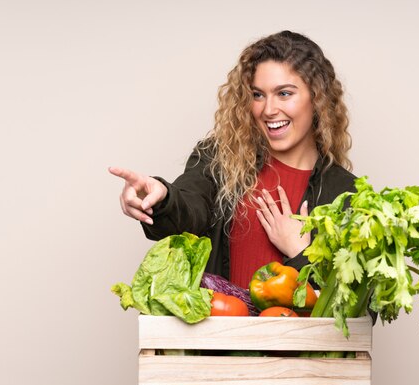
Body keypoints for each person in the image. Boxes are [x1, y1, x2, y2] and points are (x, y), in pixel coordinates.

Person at [109, 30, 356, 289]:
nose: (268, 110)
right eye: (258, 95)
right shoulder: (220, 159)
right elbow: (189, 209)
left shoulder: (345, 192)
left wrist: (299, 253)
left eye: (284, 93)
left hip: (296, 331)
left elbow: (355, 308)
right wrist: (161, 199)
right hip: (221, 329)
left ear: (317, 98)